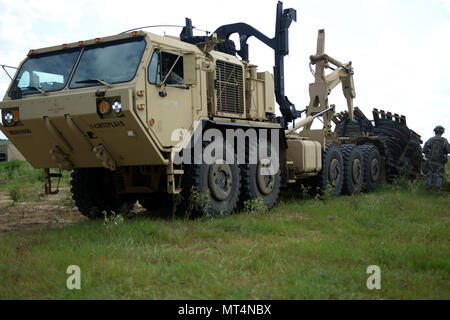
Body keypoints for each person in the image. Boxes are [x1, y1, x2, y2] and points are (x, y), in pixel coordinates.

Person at [422, 126, 450, 193]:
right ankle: (438, 191)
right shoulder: (444, 141)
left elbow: (424, 150)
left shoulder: (430, 140)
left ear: (435, 132)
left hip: (431, 161)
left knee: (429, 175)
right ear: (442, 132)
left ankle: (428, 190)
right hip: (440, 162)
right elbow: (448, 150)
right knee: (439, 176)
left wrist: (428, 156)